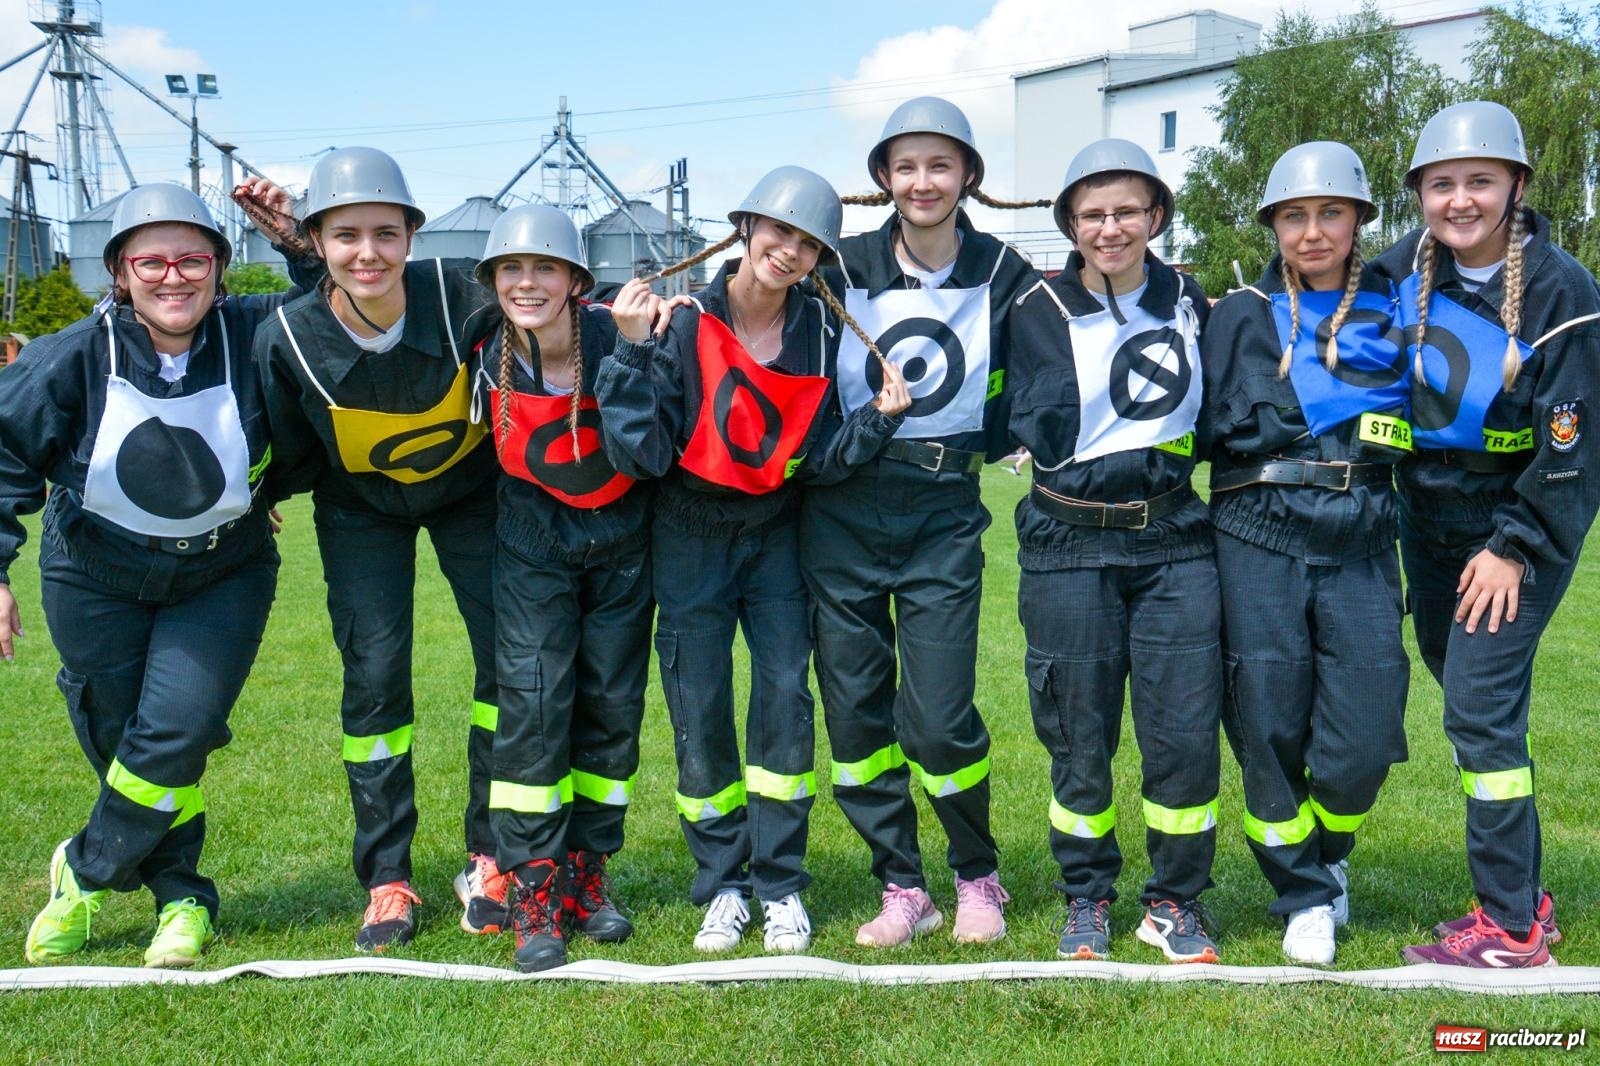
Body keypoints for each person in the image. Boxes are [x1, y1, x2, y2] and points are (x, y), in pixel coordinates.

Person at [598, 166, 909, 953]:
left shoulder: (822, 330)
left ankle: (780, 886)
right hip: (689, 534)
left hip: (775, 535)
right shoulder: (679, 320)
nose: (790, 252)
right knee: (698, 710)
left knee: (782, 701)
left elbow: (818, 456)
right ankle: (723, 888)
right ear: (746, 228)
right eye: (780, 233)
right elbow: (641, 455)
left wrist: (874, 422)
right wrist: (633, 357)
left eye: (808, 244)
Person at [1, 181, 299, 967]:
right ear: (122, 272)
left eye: (193, 259)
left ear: (221, 268)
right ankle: (181, 899)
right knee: (118, 736)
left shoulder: (255, 332)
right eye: (152, 261)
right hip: (92, 572)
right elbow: (3, 451)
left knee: (177, 729)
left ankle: (87, 868)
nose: (175, 276)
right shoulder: (70, 354)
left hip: (221, 574)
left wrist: (299, 238)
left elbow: (338, 301)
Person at [254, 147, 502, 953]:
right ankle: (388, 878)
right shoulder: (286, 333)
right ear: (316, 242)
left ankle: (491, 854)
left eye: (386, 234)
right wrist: (259, 500)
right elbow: (287, 442)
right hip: (361, 512)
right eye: (346, 235)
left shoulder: (457, 287)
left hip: (474, 498)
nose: (369, 253)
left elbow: (554, 314)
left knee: (511, 661)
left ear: (412, 237)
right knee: (374, 680)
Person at [1371, 102, 1600, 969]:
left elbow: (1575, 449)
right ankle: (1527, 892)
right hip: (1424, 524)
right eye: (1441, 185)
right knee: (1472, 697)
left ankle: (1509, 928)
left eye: (1479, 181)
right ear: (1420, 193)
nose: (1460, 200)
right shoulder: (1398, 270)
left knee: (1479, 715)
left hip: (1516, 534)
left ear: (1515, 186)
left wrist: (1512, 547)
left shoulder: (1561, 286)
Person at [804, 98, 1037, 947]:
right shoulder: (840, 263)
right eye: (905, 166)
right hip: (841, 514)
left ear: (968, 174)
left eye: (940, 165)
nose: (922, 181)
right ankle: (902, 884)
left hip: (944, 514)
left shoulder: (1006, 269)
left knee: (938, 717)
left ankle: (977, 874)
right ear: (882, 179)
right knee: (859, 720)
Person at [1007, 138, 1221, 963]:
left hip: (1173, 543)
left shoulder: (1193, 302)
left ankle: (1176, 902)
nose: (1110, 227)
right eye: (1092, 214)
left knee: (1181, 735)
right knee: (1078, 732)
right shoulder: (1031, 309)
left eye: (1127, 210)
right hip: (1066, 546)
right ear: (1069, 223)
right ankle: (1085, 897)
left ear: (1156, 215)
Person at [1202, 142, 1411, 965]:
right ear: (1274, 225)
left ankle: (1330, 854)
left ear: (1360, 219)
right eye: (1295, 215)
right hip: (1258, 532)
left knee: (1364, 735)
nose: (1313, 231)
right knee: (1267, 721)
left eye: (1331, 213)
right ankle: (1303, 893)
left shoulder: (1401, 308)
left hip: (1362, 534)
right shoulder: (1240, 312)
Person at [467, 205, 655, 972]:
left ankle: (587, 875)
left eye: (546, 267)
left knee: (611, 708)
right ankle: (533, 889)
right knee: (535, 711)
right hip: (531, 546)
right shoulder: (479, 340)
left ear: (577, 279)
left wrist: (642, 346)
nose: (527, 282)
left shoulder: (616, 332)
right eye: (512, 268)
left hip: (621, 544)